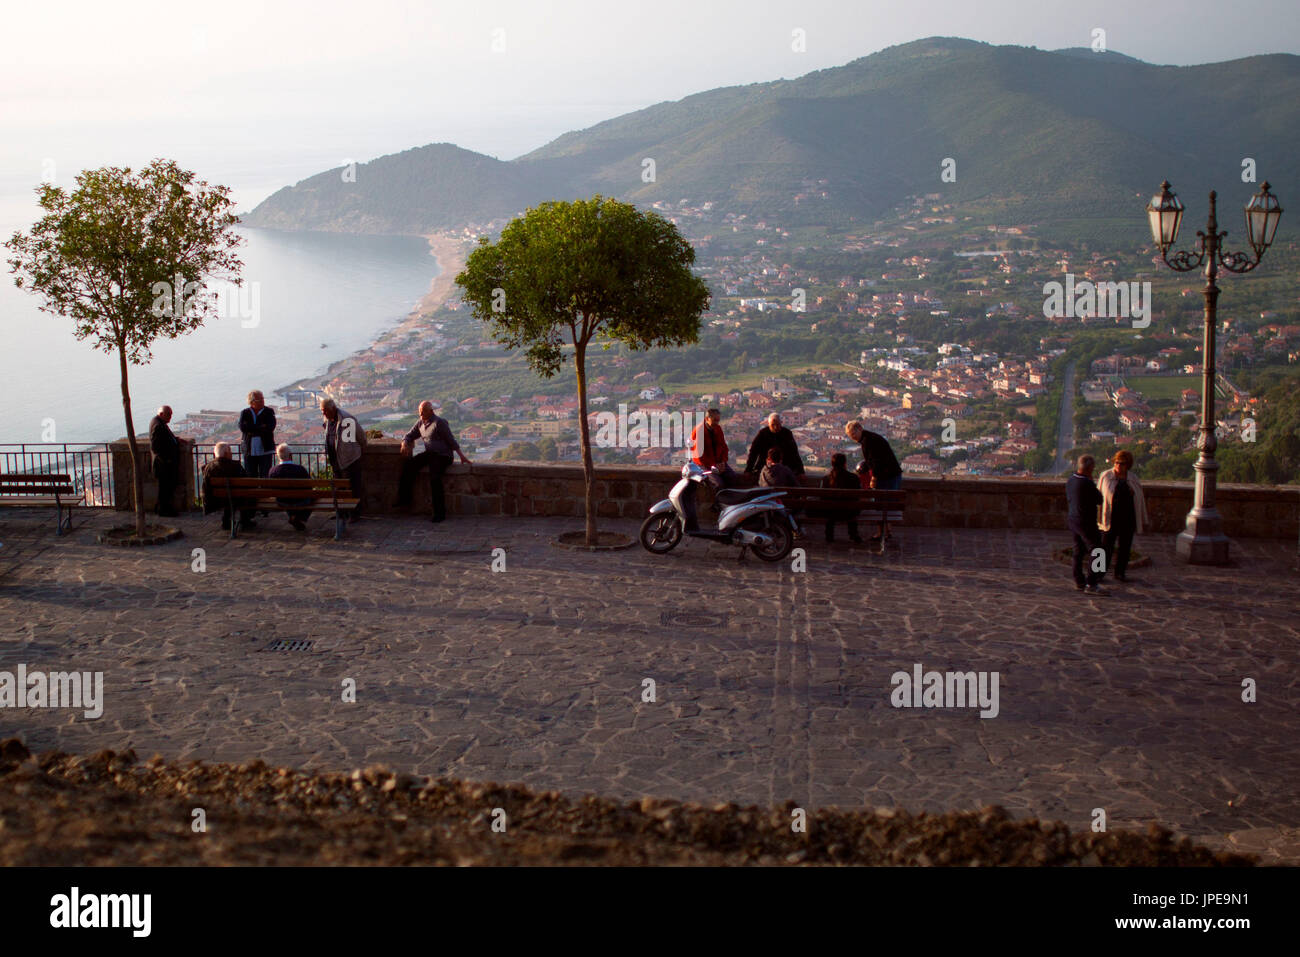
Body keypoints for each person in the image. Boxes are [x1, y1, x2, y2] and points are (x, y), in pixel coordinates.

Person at [398, 401, 472, 523]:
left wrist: (462, 456)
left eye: (423, 412)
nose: (421, 415)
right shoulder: (420, 423)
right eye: (419, 412)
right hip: (430, 454)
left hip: (443, 455)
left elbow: (451, 440)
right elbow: (409, 435)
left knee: (435, 478)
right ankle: (404, 500)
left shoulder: (439, 422)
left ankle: (439, 513)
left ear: (430, 411)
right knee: (409, 465)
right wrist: (404, 443)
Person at [846, 420, 902, 542]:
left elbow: (875, 462)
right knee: (887, 505)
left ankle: (882, 532)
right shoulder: (870, 438)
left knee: (881, 505)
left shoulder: (868, 441)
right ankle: (887, 531)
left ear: (859, 429)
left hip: (886, 476)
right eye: (851, 436)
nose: (853, 438)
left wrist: (874, 478)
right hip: (893, 474)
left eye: (853, 435)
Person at [1098, 450, 1149, 583]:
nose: (1118, 466)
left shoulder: (1132, 479)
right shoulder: (1106, 476)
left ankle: (1120, 573)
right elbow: (1098, 496)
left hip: (1127, 518)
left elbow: (1139, 499)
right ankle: (1097, 573)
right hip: (1110, 518)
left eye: (1122, 463)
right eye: (1116, 462)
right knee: (1103, 547)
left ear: (1128, 465)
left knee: (1125, 547)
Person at [321, 397, 367, 521]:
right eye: (322, 411)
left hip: (350, 460)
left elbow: (361, 437)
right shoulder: (328, 419)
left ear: (333, 408)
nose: (323, 413)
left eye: (325, 411)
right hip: (336, 460)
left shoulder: (346, 420)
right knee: (339, 488)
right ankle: (341, 512)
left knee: (353, 488)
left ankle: (355, 514)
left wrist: (355, 454)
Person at [1067, 454, 1107, 596]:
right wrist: (1092, 483)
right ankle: (1093, 582)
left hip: (1073, 519)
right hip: (1086, 521)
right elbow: (1099, 499)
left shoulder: (1071, 480)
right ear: (1090, 468)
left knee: (1078, 551)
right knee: (1098, 550)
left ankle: (1079, 581)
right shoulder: (1087, 483)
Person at [201, 442, 255, 531]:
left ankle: (226, 521)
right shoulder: (235, 466)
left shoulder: (208, 467)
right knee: (240, 494)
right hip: (235, 498)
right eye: (230, 452)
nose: (231, 454)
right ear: (226, 453)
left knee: (229, 495)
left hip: (215, 499)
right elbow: (246, 483)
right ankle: (245, 520)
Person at [267, 444, 312, 531]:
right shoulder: (300, 469)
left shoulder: (272, 471)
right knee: (313, 497)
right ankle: (297, 517)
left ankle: (293, 516)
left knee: (288, 498)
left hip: (281, 501)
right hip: (300, 501)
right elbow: (309, 487)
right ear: (291, 455)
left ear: (278, 456)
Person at [744, 413, 805, 477]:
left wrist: (801, 471)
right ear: (768, 424)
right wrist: (748, 470)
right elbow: (753, 452)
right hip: (765, 469)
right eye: (773, 425)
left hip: (784, 469)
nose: (775, 427)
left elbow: (794, 453)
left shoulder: (787, 434)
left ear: (781, 423)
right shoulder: (762, 434)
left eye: (777, 425)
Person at [820, 452, 863, 544]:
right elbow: (858, 496)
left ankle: (829, 535)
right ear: (845, 464)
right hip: (850, 512)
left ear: (832, 464)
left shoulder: (826, 479)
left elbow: (822, 497)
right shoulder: (854, 478)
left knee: (830, 507)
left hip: (831, 512)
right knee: (851, 506)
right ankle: (853, 534)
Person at [690, 407, 736, 490]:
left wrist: (723, 461)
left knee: (733, 478)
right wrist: (714, 465)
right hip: (703, 465)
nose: (717, 423)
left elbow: (723, 446)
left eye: (718, 420)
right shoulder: (699, 432)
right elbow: (700, 456)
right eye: (715, 420)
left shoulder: (718, 429)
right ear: (707, 419)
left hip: (718, 462)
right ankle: (719, 501)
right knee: (718, 484)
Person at [149, 405, 181, 517]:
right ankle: (164, 510)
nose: (170, 417)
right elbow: (155, 447)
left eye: (171, 414)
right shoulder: (158, 425)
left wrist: (176, 440)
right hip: (164, 465)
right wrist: (166, 460)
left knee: (166, 489)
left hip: (165, 464)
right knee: (165, 489)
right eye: (168, 414)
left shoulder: (159, 423)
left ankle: (161, 508)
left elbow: (166, 439)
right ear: (161, 414)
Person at [238, 390, 276, 479]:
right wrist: (261, 426)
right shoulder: (245, 413)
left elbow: (270, 427)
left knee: (265, 475)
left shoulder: (269, 412)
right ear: (252, 402)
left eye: (263, 398)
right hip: (249, 450)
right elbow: (243, 428)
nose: (263, 401)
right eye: (260, 400)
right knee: (250, 475)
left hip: (265, 449)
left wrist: (251, 428)